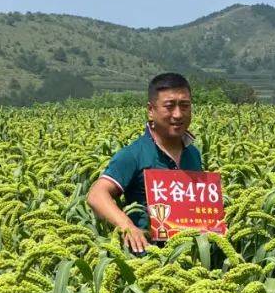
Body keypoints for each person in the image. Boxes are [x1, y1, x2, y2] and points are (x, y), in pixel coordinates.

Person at [87, 72, 203, 253]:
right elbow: (96, 195)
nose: (178, 114)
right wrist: (128, 227)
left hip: (191, 258)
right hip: (147, 261)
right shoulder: (133, 154)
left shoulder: (193, 154)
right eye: (169, 106)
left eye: (185, 106)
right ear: (151, 110)